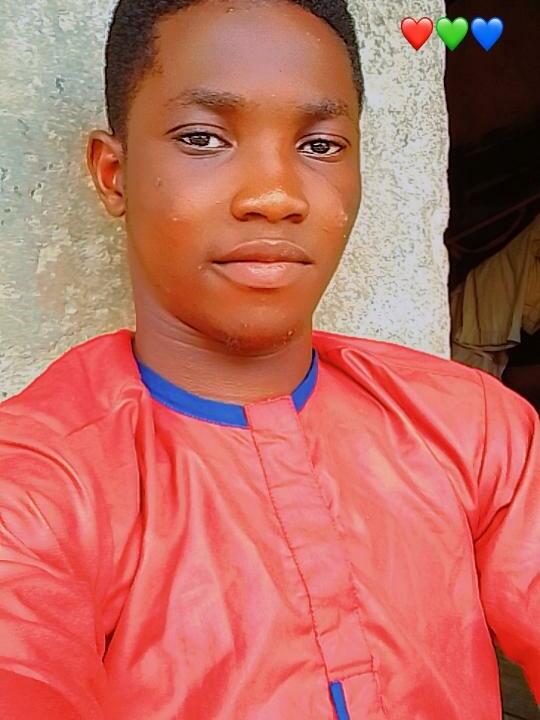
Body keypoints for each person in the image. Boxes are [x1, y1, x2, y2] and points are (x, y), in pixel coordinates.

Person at [0, 1, 538, 718]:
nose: (275, 196)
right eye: (203, 138)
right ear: (113, 174)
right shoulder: (36, 484)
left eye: (320, 145)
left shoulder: (474, 427)